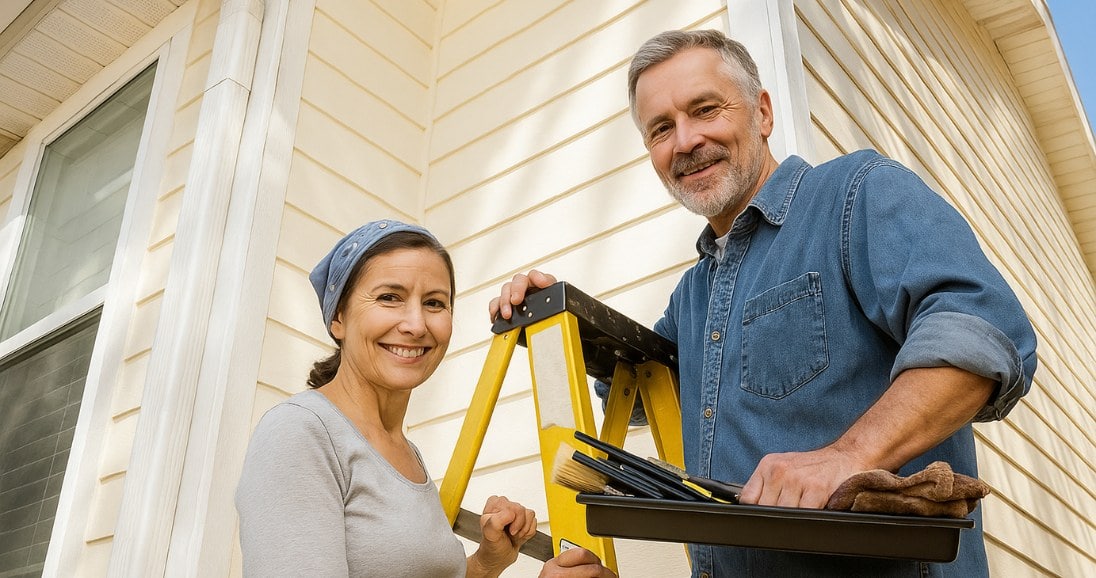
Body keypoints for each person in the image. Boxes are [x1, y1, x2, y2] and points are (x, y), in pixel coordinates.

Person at [491, 30, 1037, 577]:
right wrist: (558, 308)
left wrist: (847, 457)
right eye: (661, 128)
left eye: (705, 109)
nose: (684, 141)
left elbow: (981, 330)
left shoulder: (854, 195)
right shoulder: (693, 296)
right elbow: (629, 391)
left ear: (763, 113)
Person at [236, 219, 616, 577]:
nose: (416, 325)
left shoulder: (403, 451)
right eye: (389, 297)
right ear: (338, 318)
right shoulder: (299, 434)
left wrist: (485, 563)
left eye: (434, 303)